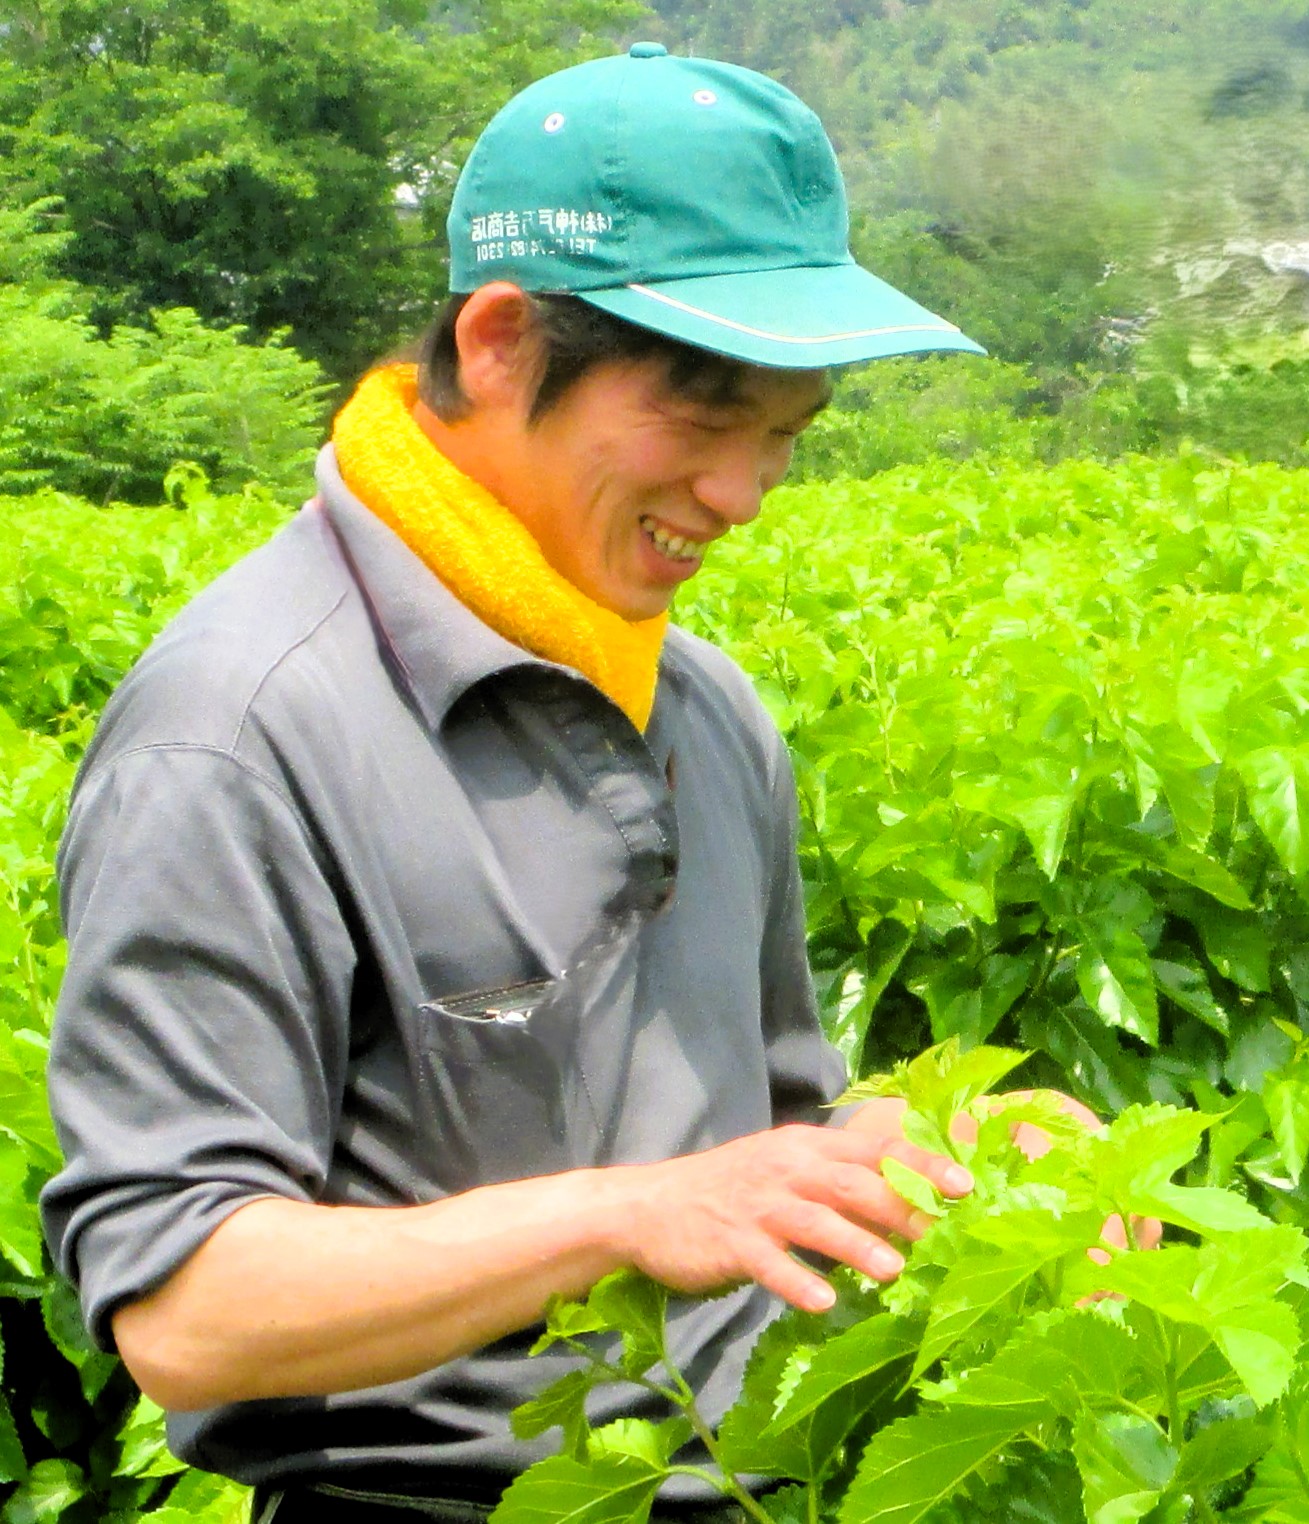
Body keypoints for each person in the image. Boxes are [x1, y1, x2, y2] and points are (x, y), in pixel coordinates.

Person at [42, 44, 1003, 1524]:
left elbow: (770, 1137)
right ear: (497, 344)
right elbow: (186, 1309)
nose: (740, 498)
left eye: (782, 440)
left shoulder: (698, 700)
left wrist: (926, 1150)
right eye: (699, 418)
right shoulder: (237, 727)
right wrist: (625, 1216)